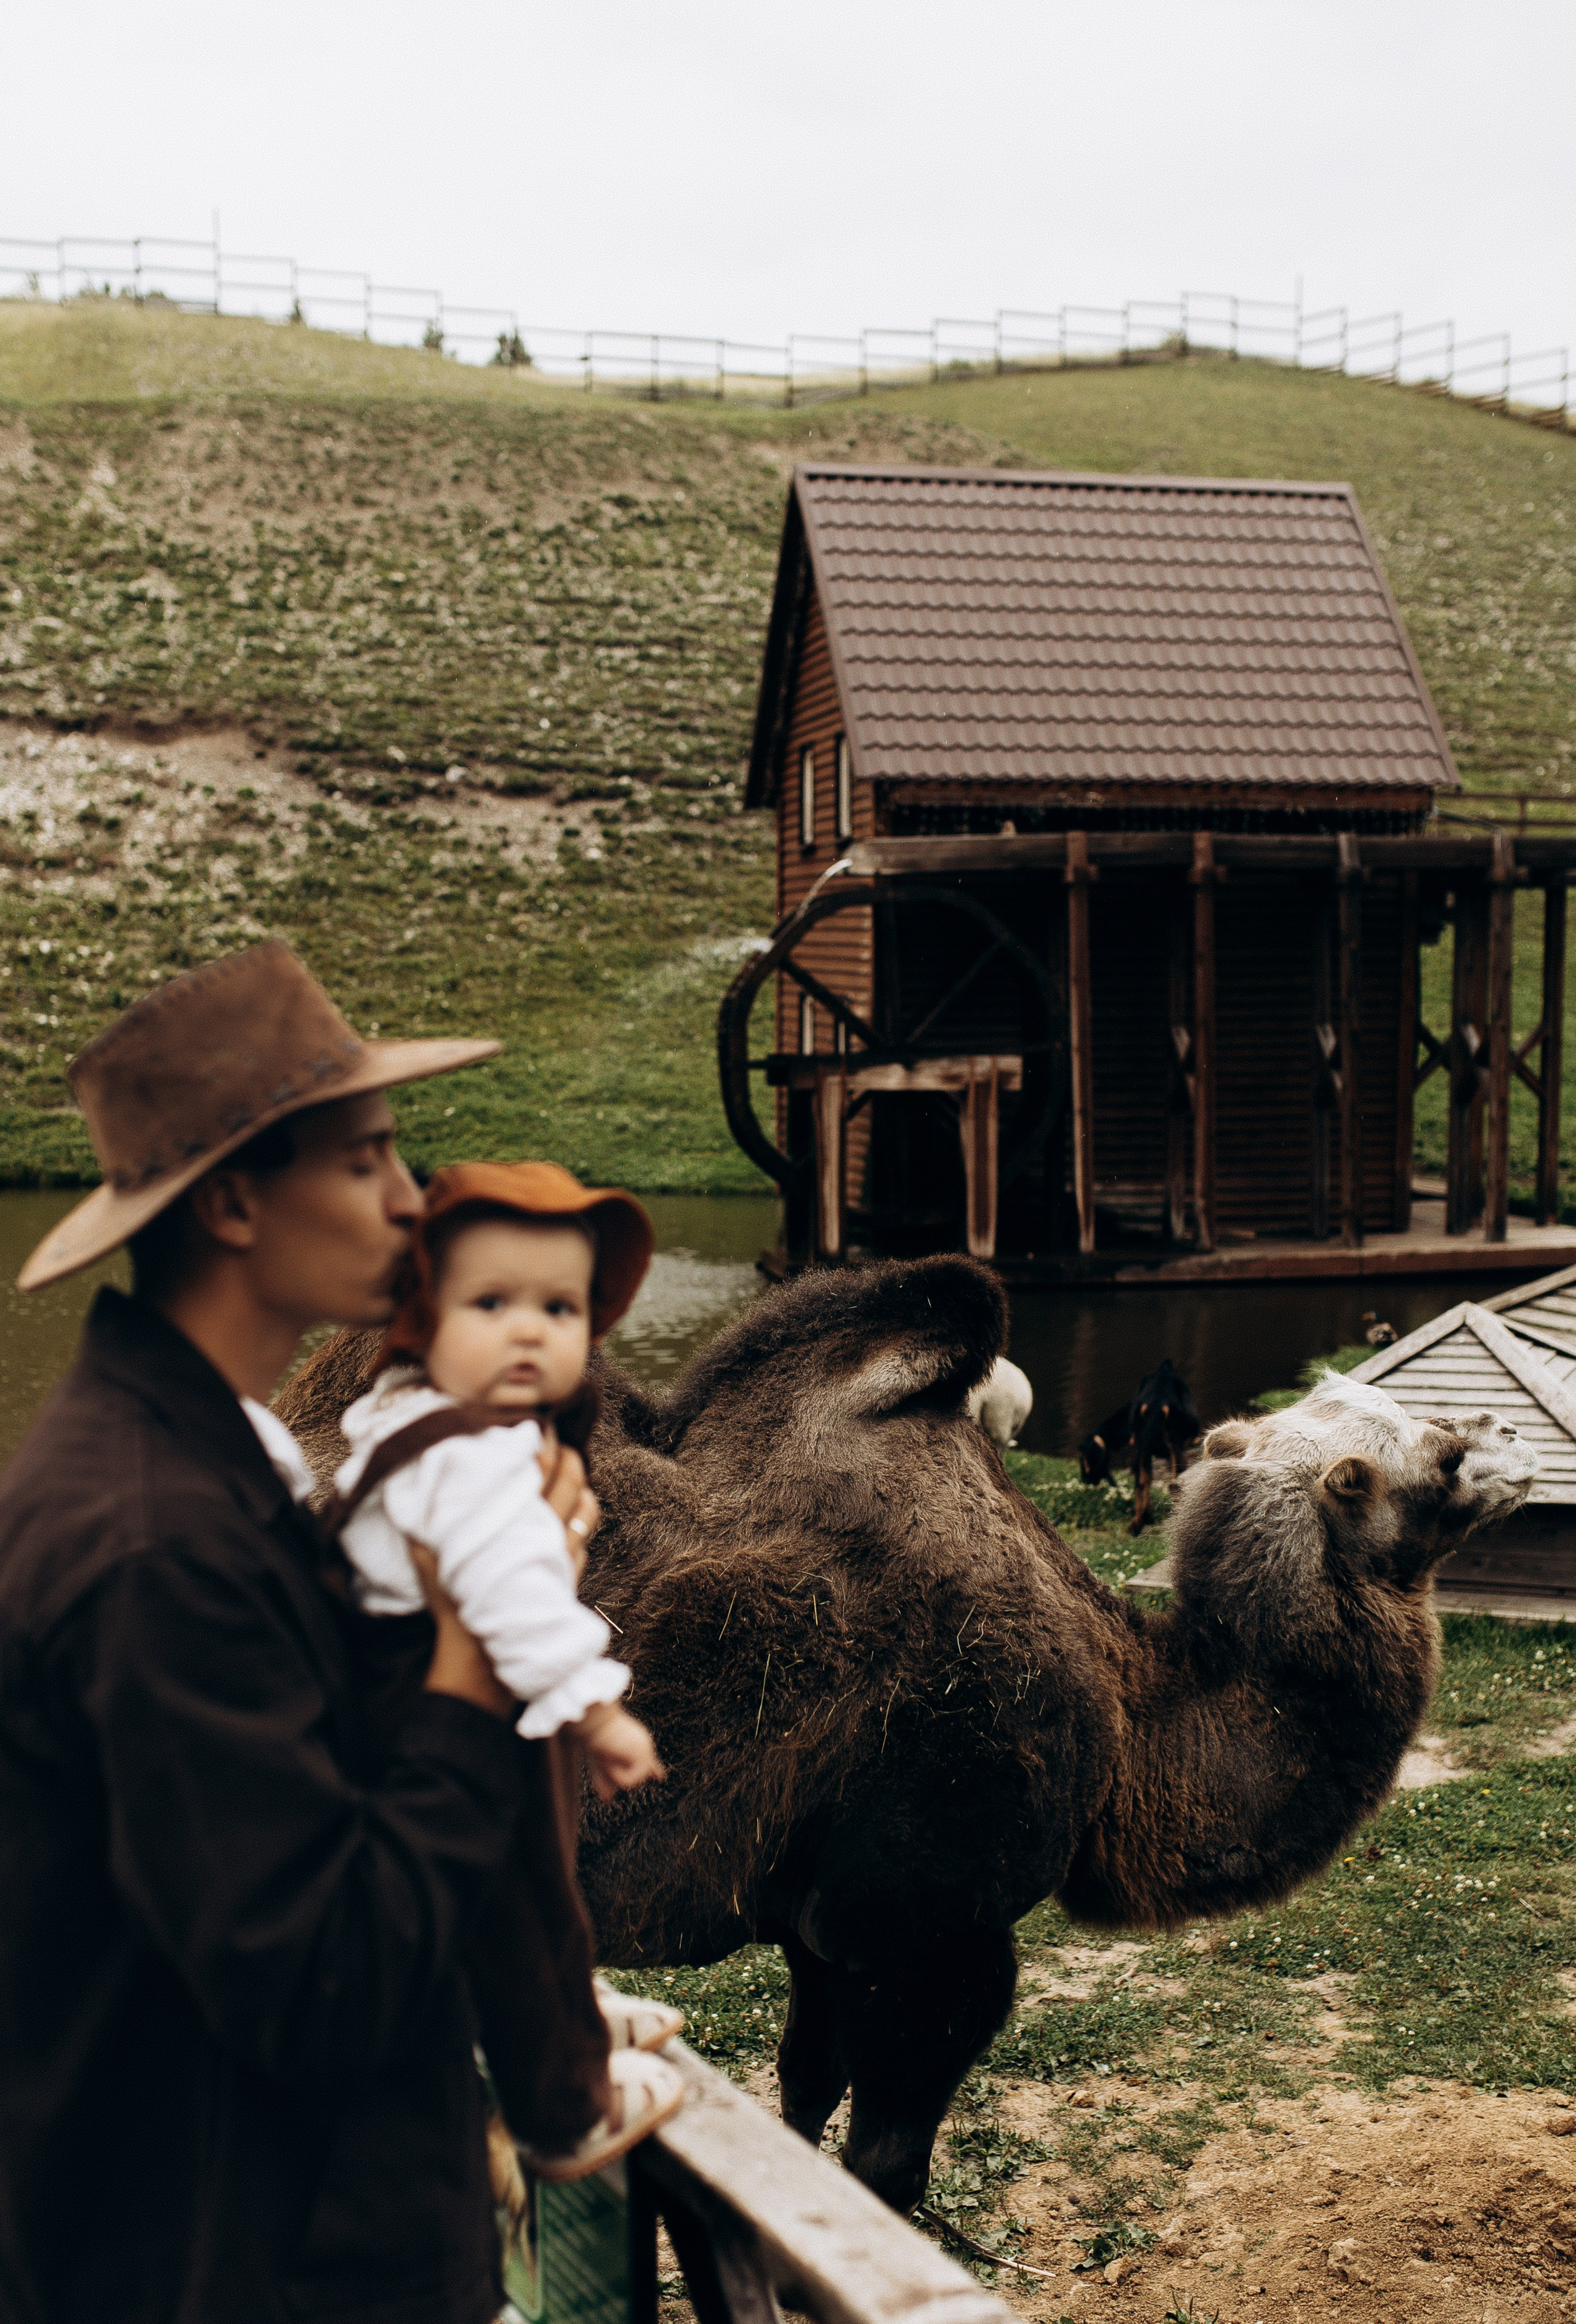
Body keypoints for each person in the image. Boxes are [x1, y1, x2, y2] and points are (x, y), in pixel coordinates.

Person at [0, 942, 667, 2324]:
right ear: (237, 1202)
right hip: (247, 2263)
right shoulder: (152, 1542)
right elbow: (315, 1982)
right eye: (367, 1161)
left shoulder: (208, 1462)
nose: (411, 1202)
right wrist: (478, 1670)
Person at [329, 1160, 681, 2177]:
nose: (530, 1331)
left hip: (388, 1689)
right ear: (422, 1317)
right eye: (492, 1304)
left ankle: (568, 2012)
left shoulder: (406, 1416)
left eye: (561, 1308)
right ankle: (567, 2102)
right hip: (444, 1688)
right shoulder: (478, 1458)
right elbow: (510, 1597)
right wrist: (597, 1711)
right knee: (521, 1889)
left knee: (535, 1879)